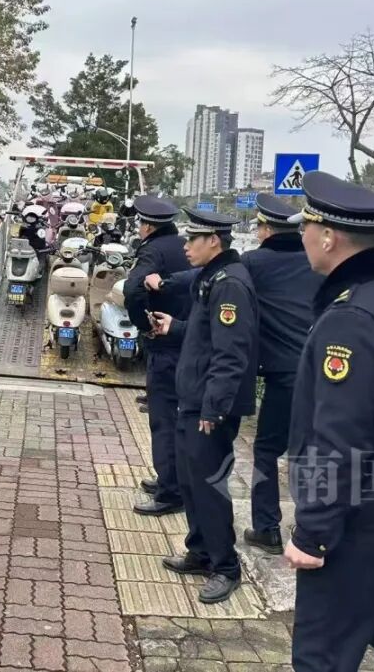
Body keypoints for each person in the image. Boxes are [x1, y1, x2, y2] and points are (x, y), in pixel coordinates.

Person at [284, 171, 374, 672]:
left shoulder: (352, 318)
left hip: (351, 520)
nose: (302, 237)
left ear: (328, 236)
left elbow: (340, 437)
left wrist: (314, 532)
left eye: (306, 227)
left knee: (321, 654)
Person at [150, 209, 258, 605]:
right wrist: (174, 328)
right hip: (193, 398)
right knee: (191, 481)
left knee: (209, 486)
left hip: (209, 407)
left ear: (214, 241)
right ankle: (200, 550)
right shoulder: (211, 278)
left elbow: (231, 354)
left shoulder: (230, 284)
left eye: (193, 239)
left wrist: (214, 408)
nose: (186, 246)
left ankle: (226, 566)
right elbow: (204, 335)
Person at [241, 193, 320, 555]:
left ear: (266, 230)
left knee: (266, 450)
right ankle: (310, 530)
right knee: (307, 453)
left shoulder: (254, 263)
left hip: (284, 376)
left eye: (259, 227)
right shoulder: (314, 262)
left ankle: (267, 528)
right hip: (321, 373)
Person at [123, 196, 191, 517]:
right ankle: (172, 478)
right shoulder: (184, 245)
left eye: (141, 224)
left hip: (164, 344)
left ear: (148, 226)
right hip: (188, 338)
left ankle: (170, 493)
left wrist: (143, 324)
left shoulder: (152, 251)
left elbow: (132, 289)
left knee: (163, 419)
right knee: (180, 417)